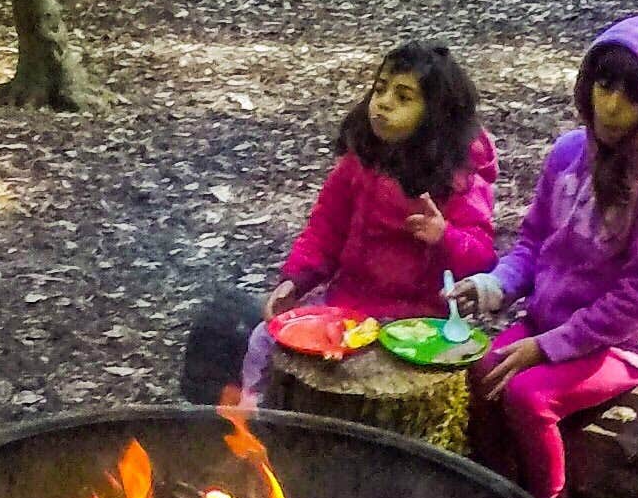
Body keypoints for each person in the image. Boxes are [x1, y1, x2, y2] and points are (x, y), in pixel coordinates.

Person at [456, 13, 638, 498]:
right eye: (604, 85)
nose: (610, 105)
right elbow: (533, 242)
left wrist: (547, 347)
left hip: (615, 344)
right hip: (546, 320)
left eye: (634, 95)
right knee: (479, 373)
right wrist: (494, 286)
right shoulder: (568, 154)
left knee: (527, 397)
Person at [180, 42, 498, 405]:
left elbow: (483, 260)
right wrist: (294, 281)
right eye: (380, 90)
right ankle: (256, 423)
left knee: (482, 381)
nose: (384, 103)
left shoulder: (458, 178)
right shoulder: (360, 162)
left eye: (403, 97)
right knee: (263, 340)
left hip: (420, 324)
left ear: (436, 115)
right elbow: (324, 232)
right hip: (349, 308)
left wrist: (444, 237)